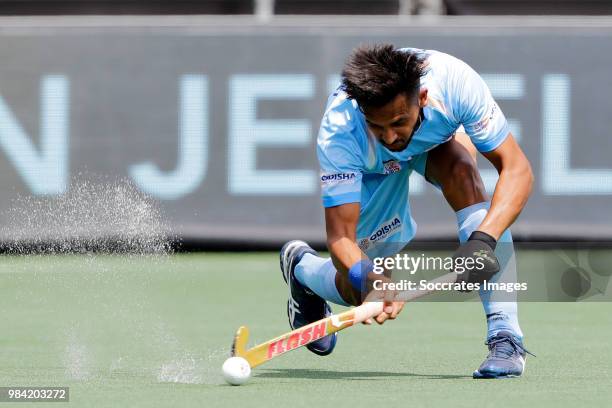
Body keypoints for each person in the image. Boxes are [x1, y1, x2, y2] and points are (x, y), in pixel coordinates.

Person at [280, 44, 534, 378]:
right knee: (355, 287)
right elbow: (341, 239)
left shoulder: (455, 83)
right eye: (377, 126)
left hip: (434, 143)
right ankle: (303, 270)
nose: (390, 136)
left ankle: (505, 337)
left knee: (463, 172)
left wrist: (483, 240)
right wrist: (370, 280)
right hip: (372, 169)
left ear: (423, 98)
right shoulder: (339, 133)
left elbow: (517, 169)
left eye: (398, 121)